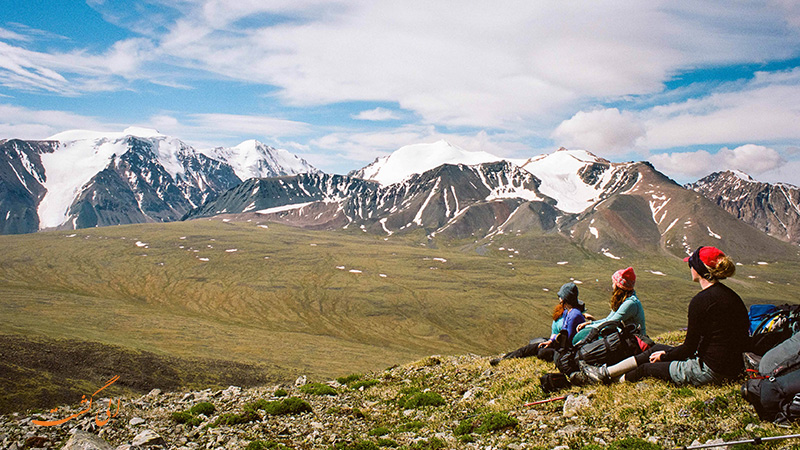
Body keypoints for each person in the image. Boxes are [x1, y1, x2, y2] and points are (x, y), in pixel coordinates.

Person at [582, 246, 749, 386]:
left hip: (710, 371)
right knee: (654, 350)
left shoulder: (701, 301)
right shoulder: (732, 296)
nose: (690, 268)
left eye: (691, 264)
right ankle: (604, 373)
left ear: (698, 268)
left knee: (646, 368)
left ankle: (611, 381)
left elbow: (689, 348)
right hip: (731, 367)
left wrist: (666, 356)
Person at [490, 282, 586, 365]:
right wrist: (551, 341)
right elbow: (562, 335)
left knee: (542, 352)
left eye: (560, 296)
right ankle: (504, 359)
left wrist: (552, 342)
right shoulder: (567, 312)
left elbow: (568, 340)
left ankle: (505, 359)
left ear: (566, 298)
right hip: (561, 346)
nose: (559, 298)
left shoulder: (574, 315)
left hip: (567, 352)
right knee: (533, 347)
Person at [573, 267, 646, 343]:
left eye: (613, 283)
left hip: (637, 343)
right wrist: (590, 324)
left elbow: (611, 324)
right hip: (629, 339)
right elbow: (608, 320)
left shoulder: (630, 303)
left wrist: (588, 328)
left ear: (618, 286)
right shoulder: (624, 300)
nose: (612, 286)